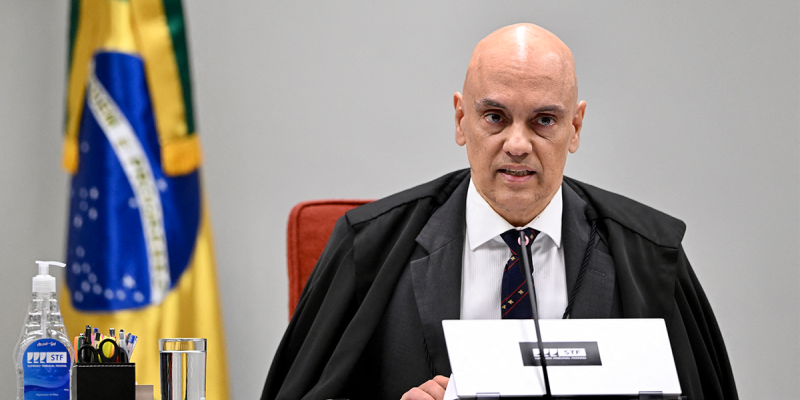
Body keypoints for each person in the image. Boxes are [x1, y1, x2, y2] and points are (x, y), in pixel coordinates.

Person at [261, 23, 738, 400]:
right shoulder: (367, 247)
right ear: (461, 119)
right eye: (495, 117)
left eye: (544, 120)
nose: (517, 144)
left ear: (575, 127)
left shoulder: (650, 254)